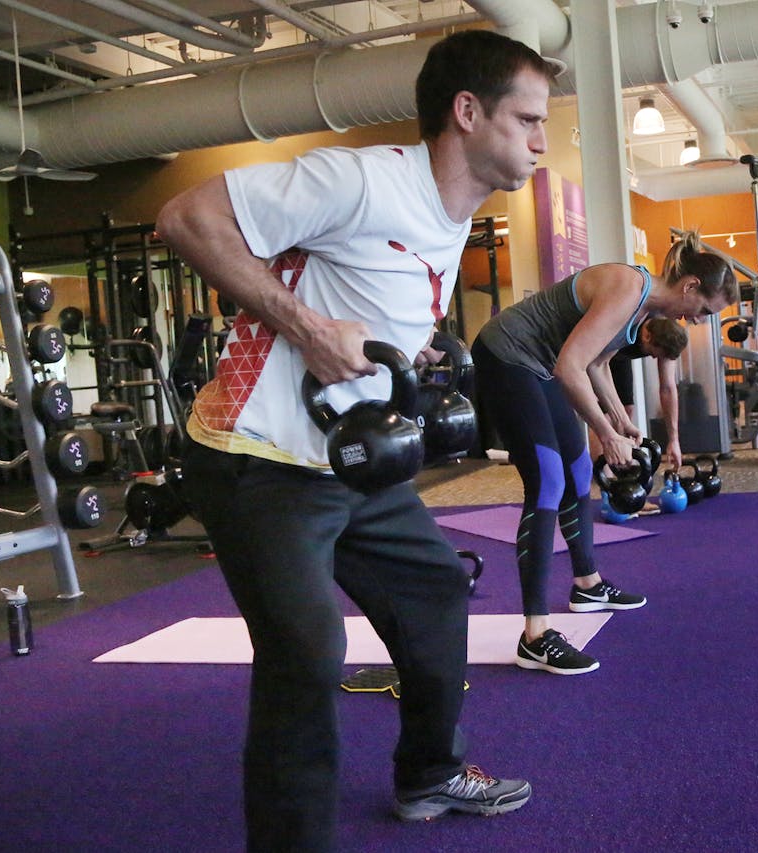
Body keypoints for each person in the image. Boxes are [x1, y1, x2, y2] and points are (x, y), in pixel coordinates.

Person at [155, 30, 554, 851]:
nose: (542, 140)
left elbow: (369, 284)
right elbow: (186, 216)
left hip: (348, 464)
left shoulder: (455, 216)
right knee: (307, 648)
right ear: (468, 112)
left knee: (437, 590)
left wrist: (421, 344)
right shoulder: (360, 178)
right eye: (528, 119)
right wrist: (304, 326)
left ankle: (431, 773)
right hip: (255, 457)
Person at [471, 231, 740, 675]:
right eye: (704, 311)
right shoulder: (627, 289)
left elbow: (595, 363)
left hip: (540, 364)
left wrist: (621, 421)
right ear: (690, 286)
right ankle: (535, 636)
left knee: (578, 473)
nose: (698, 321)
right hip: (507, 355)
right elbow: (570, 367)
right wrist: (605, 433)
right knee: (548, 481)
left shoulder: (641, 311)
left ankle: (587, 584)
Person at [603, 317, 690, 514]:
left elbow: (667, 388)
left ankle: (627, 492)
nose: (652, 358)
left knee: (626, 410)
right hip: (594, 352)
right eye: (652, 353)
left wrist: (674, 440)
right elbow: (596, 365)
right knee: (606, 419)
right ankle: (609, 492)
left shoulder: (666, 334)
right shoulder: (623, 321)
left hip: (618, 357)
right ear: (647, 335)